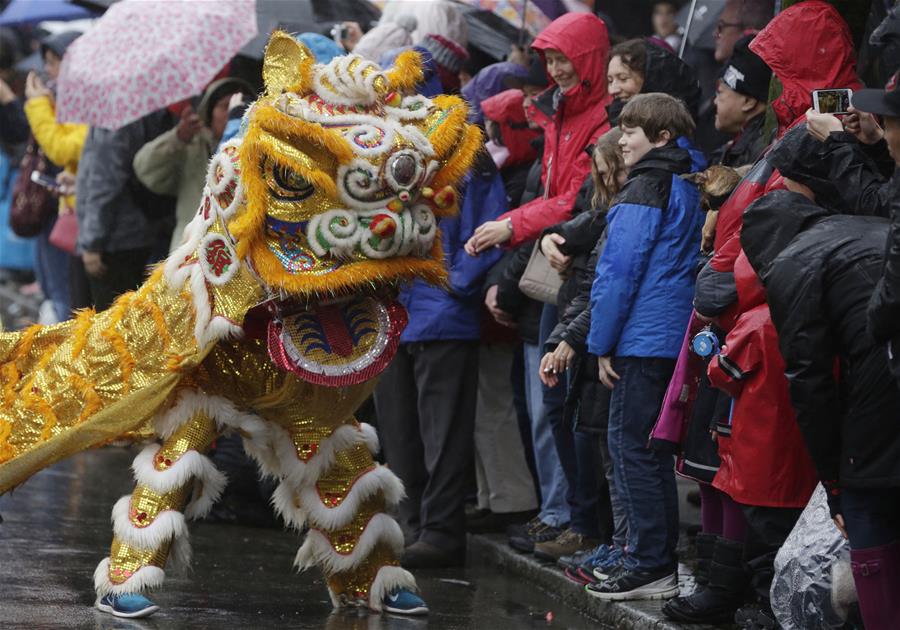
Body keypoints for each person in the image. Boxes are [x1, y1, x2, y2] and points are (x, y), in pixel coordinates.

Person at [742, 191, 900, 630]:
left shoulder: (793, 262)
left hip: (881, 373)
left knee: (865, 500)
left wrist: (833, 483)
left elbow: (809, 382)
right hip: (883, 358)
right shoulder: (862, 227)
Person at [373, 59, 505, 569]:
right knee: (401, 431)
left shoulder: (466, 152)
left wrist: (455, 287)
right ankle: (410, 527)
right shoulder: (380, 150)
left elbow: (488, 230)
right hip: (395, 312)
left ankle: (442, 532)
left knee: (443, 435)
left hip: (441, 313)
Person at [585, 93, 704, 600]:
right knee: (642, 450)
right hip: (666, 331)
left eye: (632, 130)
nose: (622, 137)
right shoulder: (685, 179)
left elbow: (618, 271)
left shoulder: (646, 184)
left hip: (642, 335)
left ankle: (650, 562)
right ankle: (645, 558)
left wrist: (600, 341)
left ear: (662, 138)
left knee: (634, 450)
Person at [537, 129, 628, 570]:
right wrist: (545, 238)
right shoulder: (604, 214)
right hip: (586, 329)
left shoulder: (626, 215)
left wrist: (570, 340)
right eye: (602, 176)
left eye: (613, 174)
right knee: (594, 440)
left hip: (605, 337)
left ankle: (619, 544)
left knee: (617, 453)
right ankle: (608, 539)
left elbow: (603, 287)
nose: (607, 185)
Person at [464, 12, 612, 252]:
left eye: (562, 59)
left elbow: (575, 200)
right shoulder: (559, 113)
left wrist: (511, 225)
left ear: (588, 59)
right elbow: (549, 196)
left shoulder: (604, 120)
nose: (554, 70)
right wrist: (502, 225)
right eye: (550, 61)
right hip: (553, 237)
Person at [133, 78, 253, 252]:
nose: (233, 112)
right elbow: (144, 168)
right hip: (190, 251)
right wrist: (178, 137)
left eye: (240, 106)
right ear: (208, 113)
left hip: (242, 249)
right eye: (224, 105)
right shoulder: (191, 146)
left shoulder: (257, 147)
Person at [75, 110, 177, 311]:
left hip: (115, 238)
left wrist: (92, 242)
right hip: (137, 228)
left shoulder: (114, 115)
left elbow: (106, 180)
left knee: (111, 323)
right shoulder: (137, 109)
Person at [21, 31, 84, 323]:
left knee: (71, 303)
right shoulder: (70, 98)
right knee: (60, 292)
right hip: (68, 208)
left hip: (84, 217)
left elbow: (62, 148)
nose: (48, 69)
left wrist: (37, 106)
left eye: (53, 62)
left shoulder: (90, 99)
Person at [605, 38, 702, 126]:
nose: (612, 90)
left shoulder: (675, 130)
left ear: (650, 78)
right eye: (610, 81)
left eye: (623, 78)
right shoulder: (616, 116)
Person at [711, 35, 770, 168]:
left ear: (748, 101)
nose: (715, 101)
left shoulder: (762, 153)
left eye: (720, 93)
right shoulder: (741, 143)